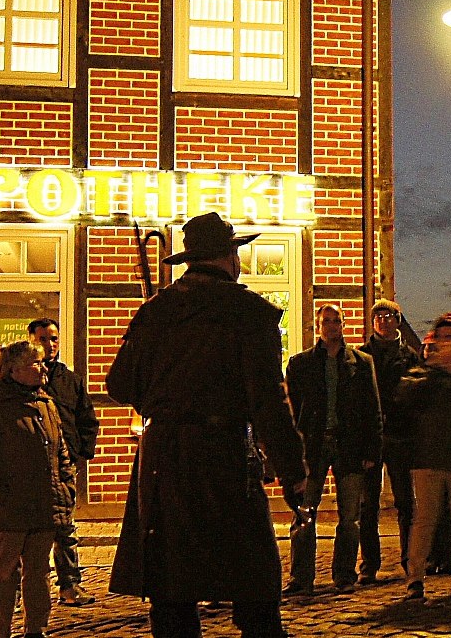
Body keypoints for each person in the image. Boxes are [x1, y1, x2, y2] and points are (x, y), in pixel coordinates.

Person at [106, 212, 307, 638]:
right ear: (230, 257)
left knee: (173, 593)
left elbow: (120, 385)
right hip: (224, 456)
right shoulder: (249, 312)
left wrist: (163, 401)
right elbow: (267, 402)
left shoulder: (156, 311)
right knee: (255, 589)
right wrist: (294, 473)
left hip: (163, 459)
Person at [0, 340, 79, 638]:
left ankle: (35, 630)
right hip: (10, 507)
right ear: (12, 371)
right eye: (35, 364)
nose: (42, 369)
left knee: (38, 573)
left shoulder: (46, 405)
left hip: (45, 504)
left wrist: (66, 488)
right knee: (5, 573)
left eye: (42, 362)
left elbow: (61, 452)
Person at [283, 304, 383, 594]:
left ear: (343, 324)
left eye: (335, 320)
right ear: (318, 326)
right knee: (304, 513)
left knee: (350, 516)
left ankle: (344, 574)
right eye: (325, 321)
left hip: (348, 444)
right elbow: (293, 411)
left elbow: (372, 410)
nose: (331, 326)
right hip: (312, 446)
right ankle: (301, 577)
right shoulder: (300, 364)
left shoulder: (361, 363)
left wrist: (370, 451)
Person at [398, 315, 451, 601]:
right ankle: (415, 578)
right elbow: (406, 398)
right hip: (427, 456)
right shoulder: (422, 372)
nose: (447, 344)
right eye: (443, 338)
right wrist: (435, 370)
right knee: (425, 520)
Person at [369, 299, 451, 579]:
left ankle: (409, 560)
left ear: (397, 320)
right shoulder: (363, 356)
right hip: (371, 436)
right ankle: (369, 565)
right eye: (378, 315)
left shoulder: (409, 356)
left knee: (406, 503)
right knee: (367, 506)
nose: (383, 320)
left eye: (388, 315)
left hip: (402, 438)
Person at [25, 318, 101, 607]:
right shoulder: (23, 378)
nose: (50, 344)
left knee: (65, 528)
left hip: (65, 466)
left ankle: (70, 585)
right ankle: (25, 590)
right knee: (30, 532)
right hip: (32, 467)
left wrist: (82, 455)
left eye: (54, 338)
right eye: (44, 338)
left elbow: (86, 419)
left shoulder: (70, 380)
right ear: (32, 339)